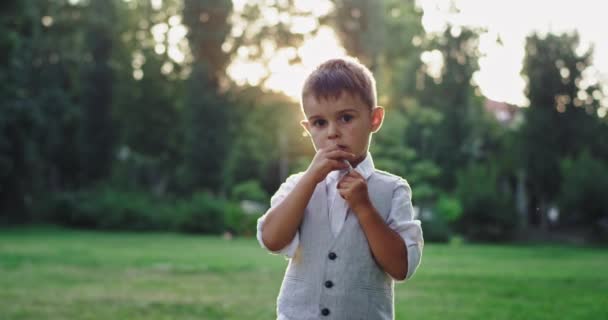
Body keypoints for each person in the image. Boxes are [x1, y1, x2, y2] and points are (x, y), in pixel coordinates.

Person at [256, 57, 424, 320]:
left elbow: (401, 267)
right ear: (307, 128)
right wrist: (309, 179)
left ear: (375, 119)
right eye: (319, 123)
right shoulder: (297, 186)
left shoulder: (393, 190)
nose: (332, 132)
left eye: (346, 118)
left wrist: (365, 208)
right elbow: (271, 239)